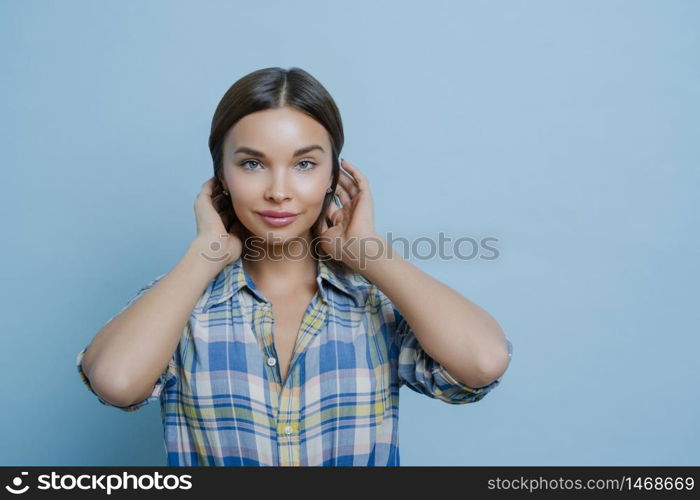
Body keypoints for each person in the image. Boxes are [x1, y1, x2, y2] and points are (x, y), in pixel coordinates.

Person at [76, 66, 513, 466]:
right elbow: (116, 382)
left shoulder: (375, 301)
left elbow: (483, 360)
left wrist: (368, 251)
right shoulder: (180, 302)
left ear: (332, 177)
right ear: (221, 178)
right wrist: (203, 254)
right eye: (252, 164)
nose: (279, 191)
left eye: (304, 164)